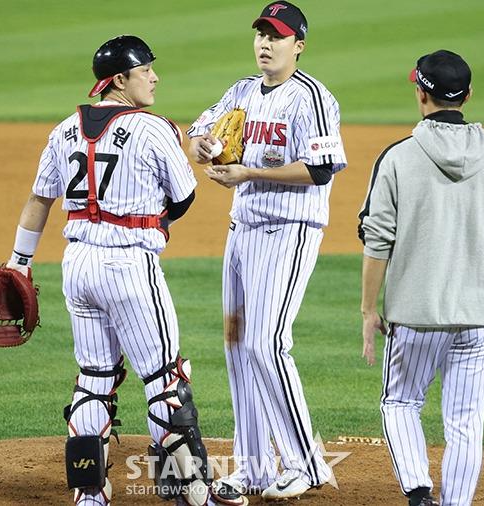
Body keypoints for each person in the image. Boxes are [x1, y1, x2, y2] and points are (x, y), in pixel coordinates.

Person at [4, 35, 247, 506]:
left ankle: (89, 496)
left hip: (76, 267)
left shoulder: (64, 129)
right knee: (164, 378)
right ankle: (191, 490)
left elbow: (39, 199)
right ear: (119, 80)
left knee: (94, 377)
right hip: (130, 266)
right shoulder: (155, 128)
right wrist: (156, 223)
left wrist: (19, 261)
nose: (155, 77)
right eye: (145, 71)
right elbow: (184, 195)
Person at [358, 49, 484, 506]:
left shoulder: (398, 158)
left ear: (420, 94)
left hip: (416, 317)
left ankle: (419, 494)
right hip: (482, 317)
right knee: (465, 420)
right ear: (468, 96)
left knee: (399, 403)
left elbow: (377, 239)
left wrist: (367, 309)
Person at [187, 2, 347, 501]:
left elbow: (320, 170)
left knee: (266, 343)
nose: (264, 43)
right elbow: (197, 135)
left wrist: (249, 173)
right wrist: (207, 148)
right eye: (260, 34)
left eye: (275, 36)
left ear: (298, 44)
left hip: (289, 230)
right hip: (243, 231)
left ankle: (305, 463)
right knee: (238, 349)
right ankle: (253, 467)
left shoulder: (312, 97)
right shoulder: (240, 91)